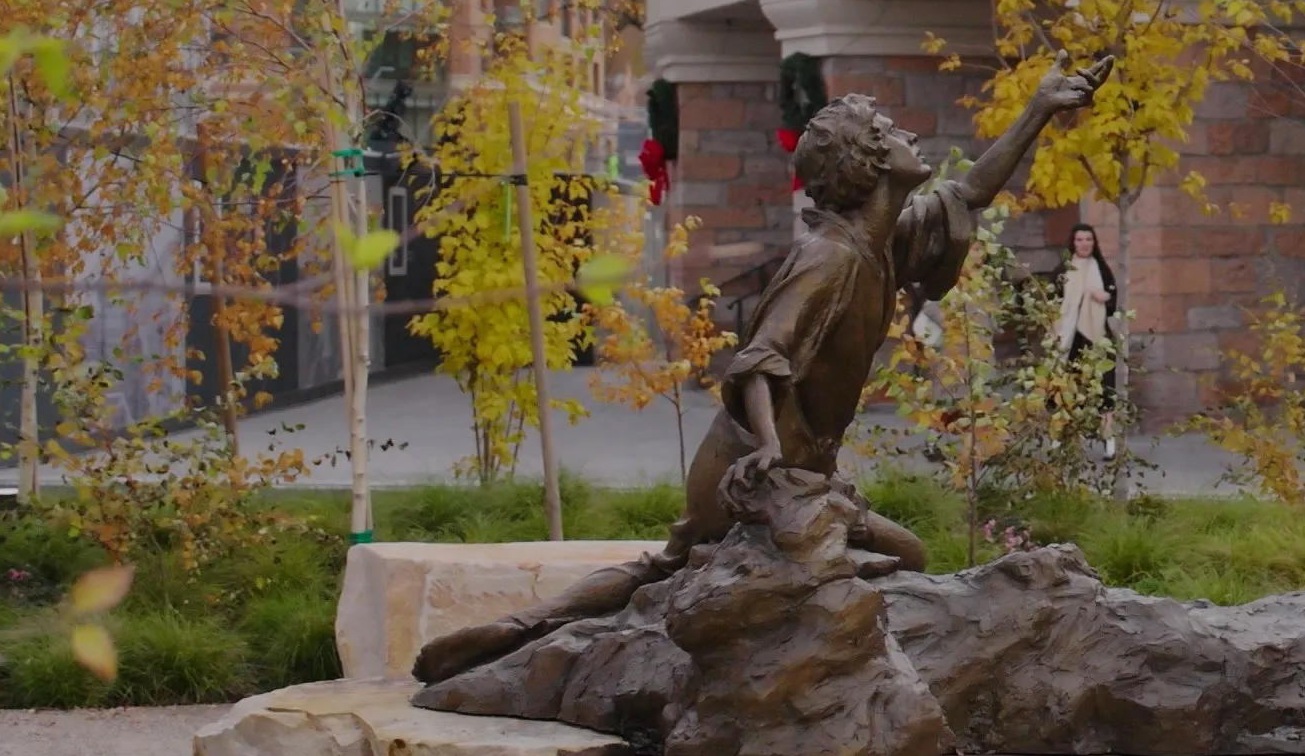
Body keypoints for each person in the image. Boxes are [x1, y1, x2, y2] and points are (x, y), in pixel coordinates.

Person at [410, 61, 1098, 684]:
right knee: (680, 566)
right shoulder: (829, 257)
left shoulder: (880, 243)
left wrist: (1038, 108)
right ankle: (524, 634)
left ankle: (526, 629)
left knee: (892, 555)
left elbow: (969, 192)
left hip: (802, 470)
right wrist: (767, 446)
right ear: (867, 163)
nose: (908, 135)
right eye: (889, 131)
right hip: (750, 463)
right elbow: (761, 357)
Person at [1055, 223, 1122, 458]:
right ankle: (1065, 437)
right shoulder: (1063, 270)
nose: (1084, 244)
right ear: (1073, 243)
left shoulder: (1101, 268)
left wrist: (1105, 297)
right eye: (1080, 239)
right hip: (1070, 336)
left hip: (1097, 335)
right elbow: (1052, 299)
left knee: (1105, 385)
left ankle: (1108, 437)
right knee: (1068, 385)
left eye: (1089, 239)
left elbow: (1113, 301)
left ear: (1094, 243)